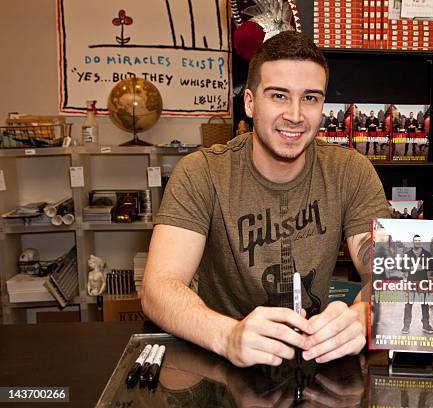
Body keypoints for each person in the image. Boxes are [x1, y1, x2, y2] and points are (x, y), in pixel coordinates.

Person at [141, 30, 389, 368]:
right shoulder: (202, 172)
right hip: (221, 361)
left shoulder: (351, 172)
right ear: (249, 102)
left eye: (310, 98)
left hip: (316, 360)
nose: (296, 115)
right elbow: (158, 288)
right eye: (278, 95)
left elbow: (393, 275)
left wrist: (364, 315)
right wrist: (228, 336)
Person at [402, 234, 433, 334]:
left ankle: (426, 325)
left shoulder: (427, 254)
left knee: (425, 304)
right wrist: (411, 268)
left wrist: (423, 267)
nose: (417, 242)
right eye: (415, 240)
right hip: (411, 282)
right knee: (408, 305)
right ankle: (406, 326)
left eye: (419, 240)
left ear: (421, 241)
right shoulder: (407, 254)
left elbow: (432, 266)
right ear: (413, 242)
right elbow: (402, 267)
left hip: (423, 282)